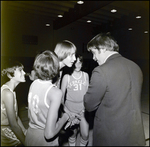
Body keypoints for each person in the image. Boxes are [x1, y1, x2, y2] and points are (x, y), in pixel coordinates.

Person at [83, 33, 146, 146]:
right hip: (134, 133)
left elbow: (89, 105)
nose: (94, 58)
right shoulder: (135, 66)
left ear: (102, 49)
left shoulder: (101, 71)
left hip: (111, 136)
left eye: (94, 53)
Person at [25, 50, 76, 146]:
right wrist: (66, 117)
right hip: (44, 140)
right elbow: (49, 134)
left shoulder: (34, 84)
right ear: (56, 68)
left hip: (30, 134)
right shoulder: (55, 92)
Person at [61, 54, 89, 146]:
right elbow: (61, 98)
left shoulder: (85, 75)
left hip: (83, 110)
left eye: (80, 62)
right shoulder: (67, 77)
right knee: (72, 134)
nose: (78, 65)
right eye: (75, 62)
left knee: (85, 135)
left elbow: (88, 95)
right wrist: (67, 112)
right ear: (72, 63)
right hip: (70, 109)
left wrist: (86, 108)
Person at [1, 60, 27, 146]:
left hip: (9, 128)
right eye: (20, 70)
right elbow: (14, 125)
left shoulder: (10, 91)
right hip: (4, 132)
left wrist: (24, 130)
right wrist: (26, 143)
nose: (24, 72)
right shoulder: (7, 93)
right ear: (10, 75)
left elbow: (15, 116)